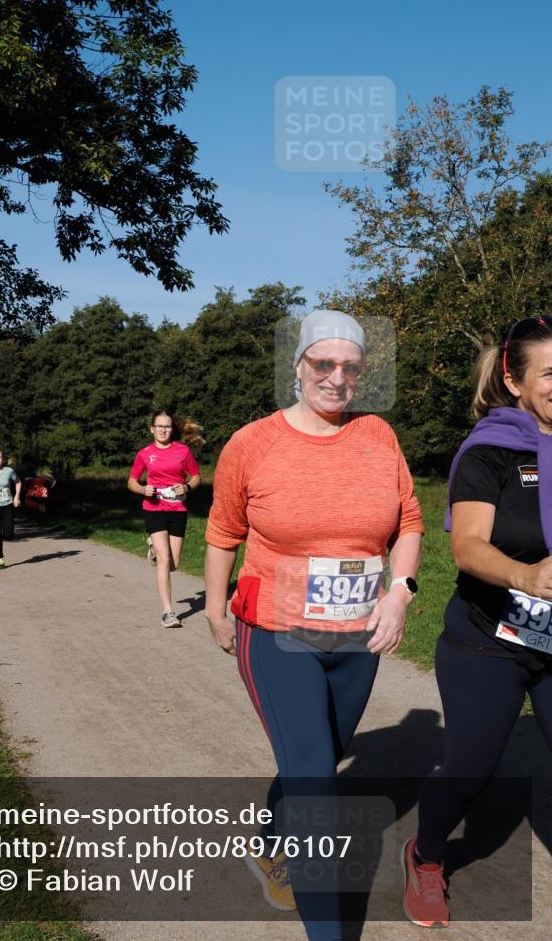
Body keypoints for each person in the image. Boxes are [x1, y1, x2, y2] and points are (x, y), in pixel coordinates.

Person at [204, 310, 423, 941]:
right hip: (277, 631)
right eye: (323, 364)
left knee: (317, 759)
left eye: (350, 368)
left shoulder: (379, 435)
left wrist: (400, 595)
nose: (336, 379)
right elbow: (223, 534)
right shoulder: (253, 443)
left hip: (359, 638)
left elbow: (409, 523)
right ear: (297, 366)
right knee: (319, 789)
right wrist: (217, 612)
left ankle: (269, 842)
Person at [403, 314, 552, 929]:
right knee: (471, 768)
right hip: (487, 640)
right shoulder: (491, 450)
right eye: (551, 374)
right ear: (516, 383)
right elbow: (468, 546)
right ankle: (428, 855)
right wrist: (528, 576)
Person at [128, 412, 203, 628]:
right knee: (163, 559)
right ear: (151, 429)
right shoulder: (145, 454)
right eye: (159, 426)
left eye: (167, 427)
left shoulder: (183, 451)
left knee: (173, 563)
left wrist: (187, 486)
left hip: (177, 509)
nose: (163, 430)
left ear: (172, 429)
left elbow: (196, 477)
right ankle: (168, 612)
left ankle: (153, 547)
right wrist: (143, 488)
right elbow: (131, 481)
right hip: (153, 508)